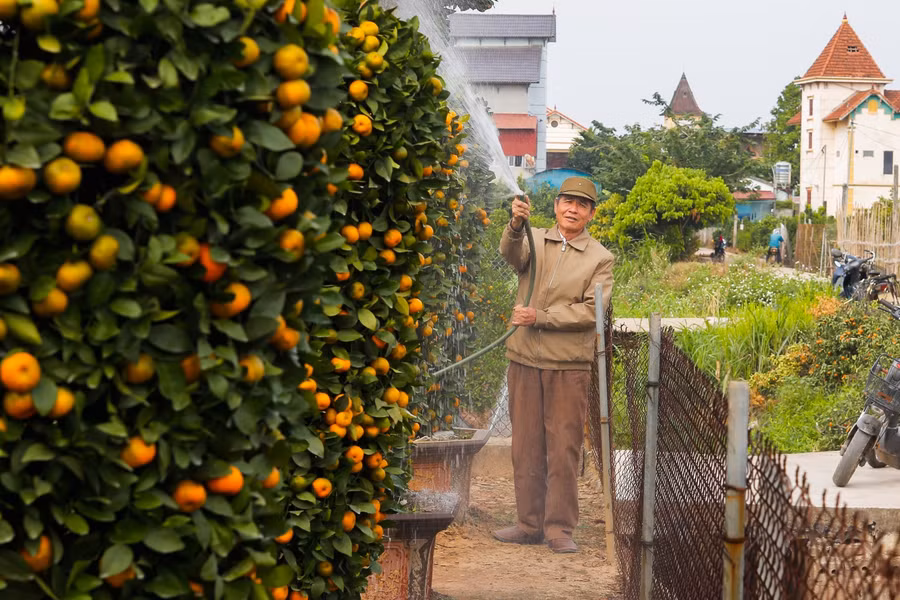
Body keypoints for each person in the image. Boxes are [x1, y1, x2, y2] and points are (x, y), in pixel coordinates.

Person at [493, 176, 614, 554]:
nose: (572, 209)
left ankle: (559, 529)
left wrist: (540, 316)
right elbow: (511, 256)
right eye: (567, 202)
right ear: (557, 205)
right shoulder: (534, 238)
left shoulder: (600, 258)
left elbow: (593, 310)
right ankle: (528, 524)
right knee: (525, 445)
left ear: (591, 214)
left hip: (568, 367)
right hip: (524, 359)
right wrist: (515, 226)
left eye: (581, 204)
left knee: (563, 448)